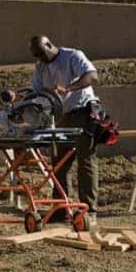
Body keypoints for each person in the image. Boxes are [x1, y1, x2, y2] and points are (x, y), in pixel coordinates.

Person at [29, 35, 103, 224]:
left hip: (83, 111)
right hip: (62, 116)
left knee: (85, 160)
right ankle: (62, 208)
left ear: (48, 44)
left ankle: (89, 211)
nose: (40, 58)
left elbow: (92, 76)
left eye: (41, 53)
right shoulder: (41, 66)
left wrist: (68, 88)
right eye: (36, 56)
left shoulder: (72, 56)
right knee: (60, 163)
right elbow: (35, 91)